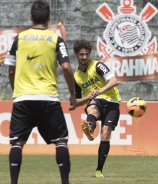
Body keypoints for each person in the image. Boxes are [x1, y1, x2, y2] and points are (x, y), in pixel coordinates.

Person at [4, 1, 76, 184]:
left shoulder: (19, 39)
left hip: (23, 98)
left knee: (17, 142)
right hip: (48, 98)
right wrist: (73, 94)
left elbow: (11, 69)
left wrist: (16, 90)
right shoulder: (55, 39)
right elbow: (67, 67)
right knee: (61, 141)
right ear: (49, 18)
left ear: (30, 17)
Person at [73, 39, 121, 178]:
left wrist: (100, 90)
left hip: (112, 101)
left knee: (105, 133)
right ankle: (89, 128)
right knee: (92, 108)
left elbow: (114, 81)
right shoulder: (76, 76)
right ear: (76, 54)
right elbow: (77, 101)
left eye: (86, 54)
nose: (84, 57)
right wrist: (87, 97)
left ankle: (99, 170)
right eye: (81, 54)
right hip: (95, 101)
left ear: (89, 54)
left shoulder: (98, 66)